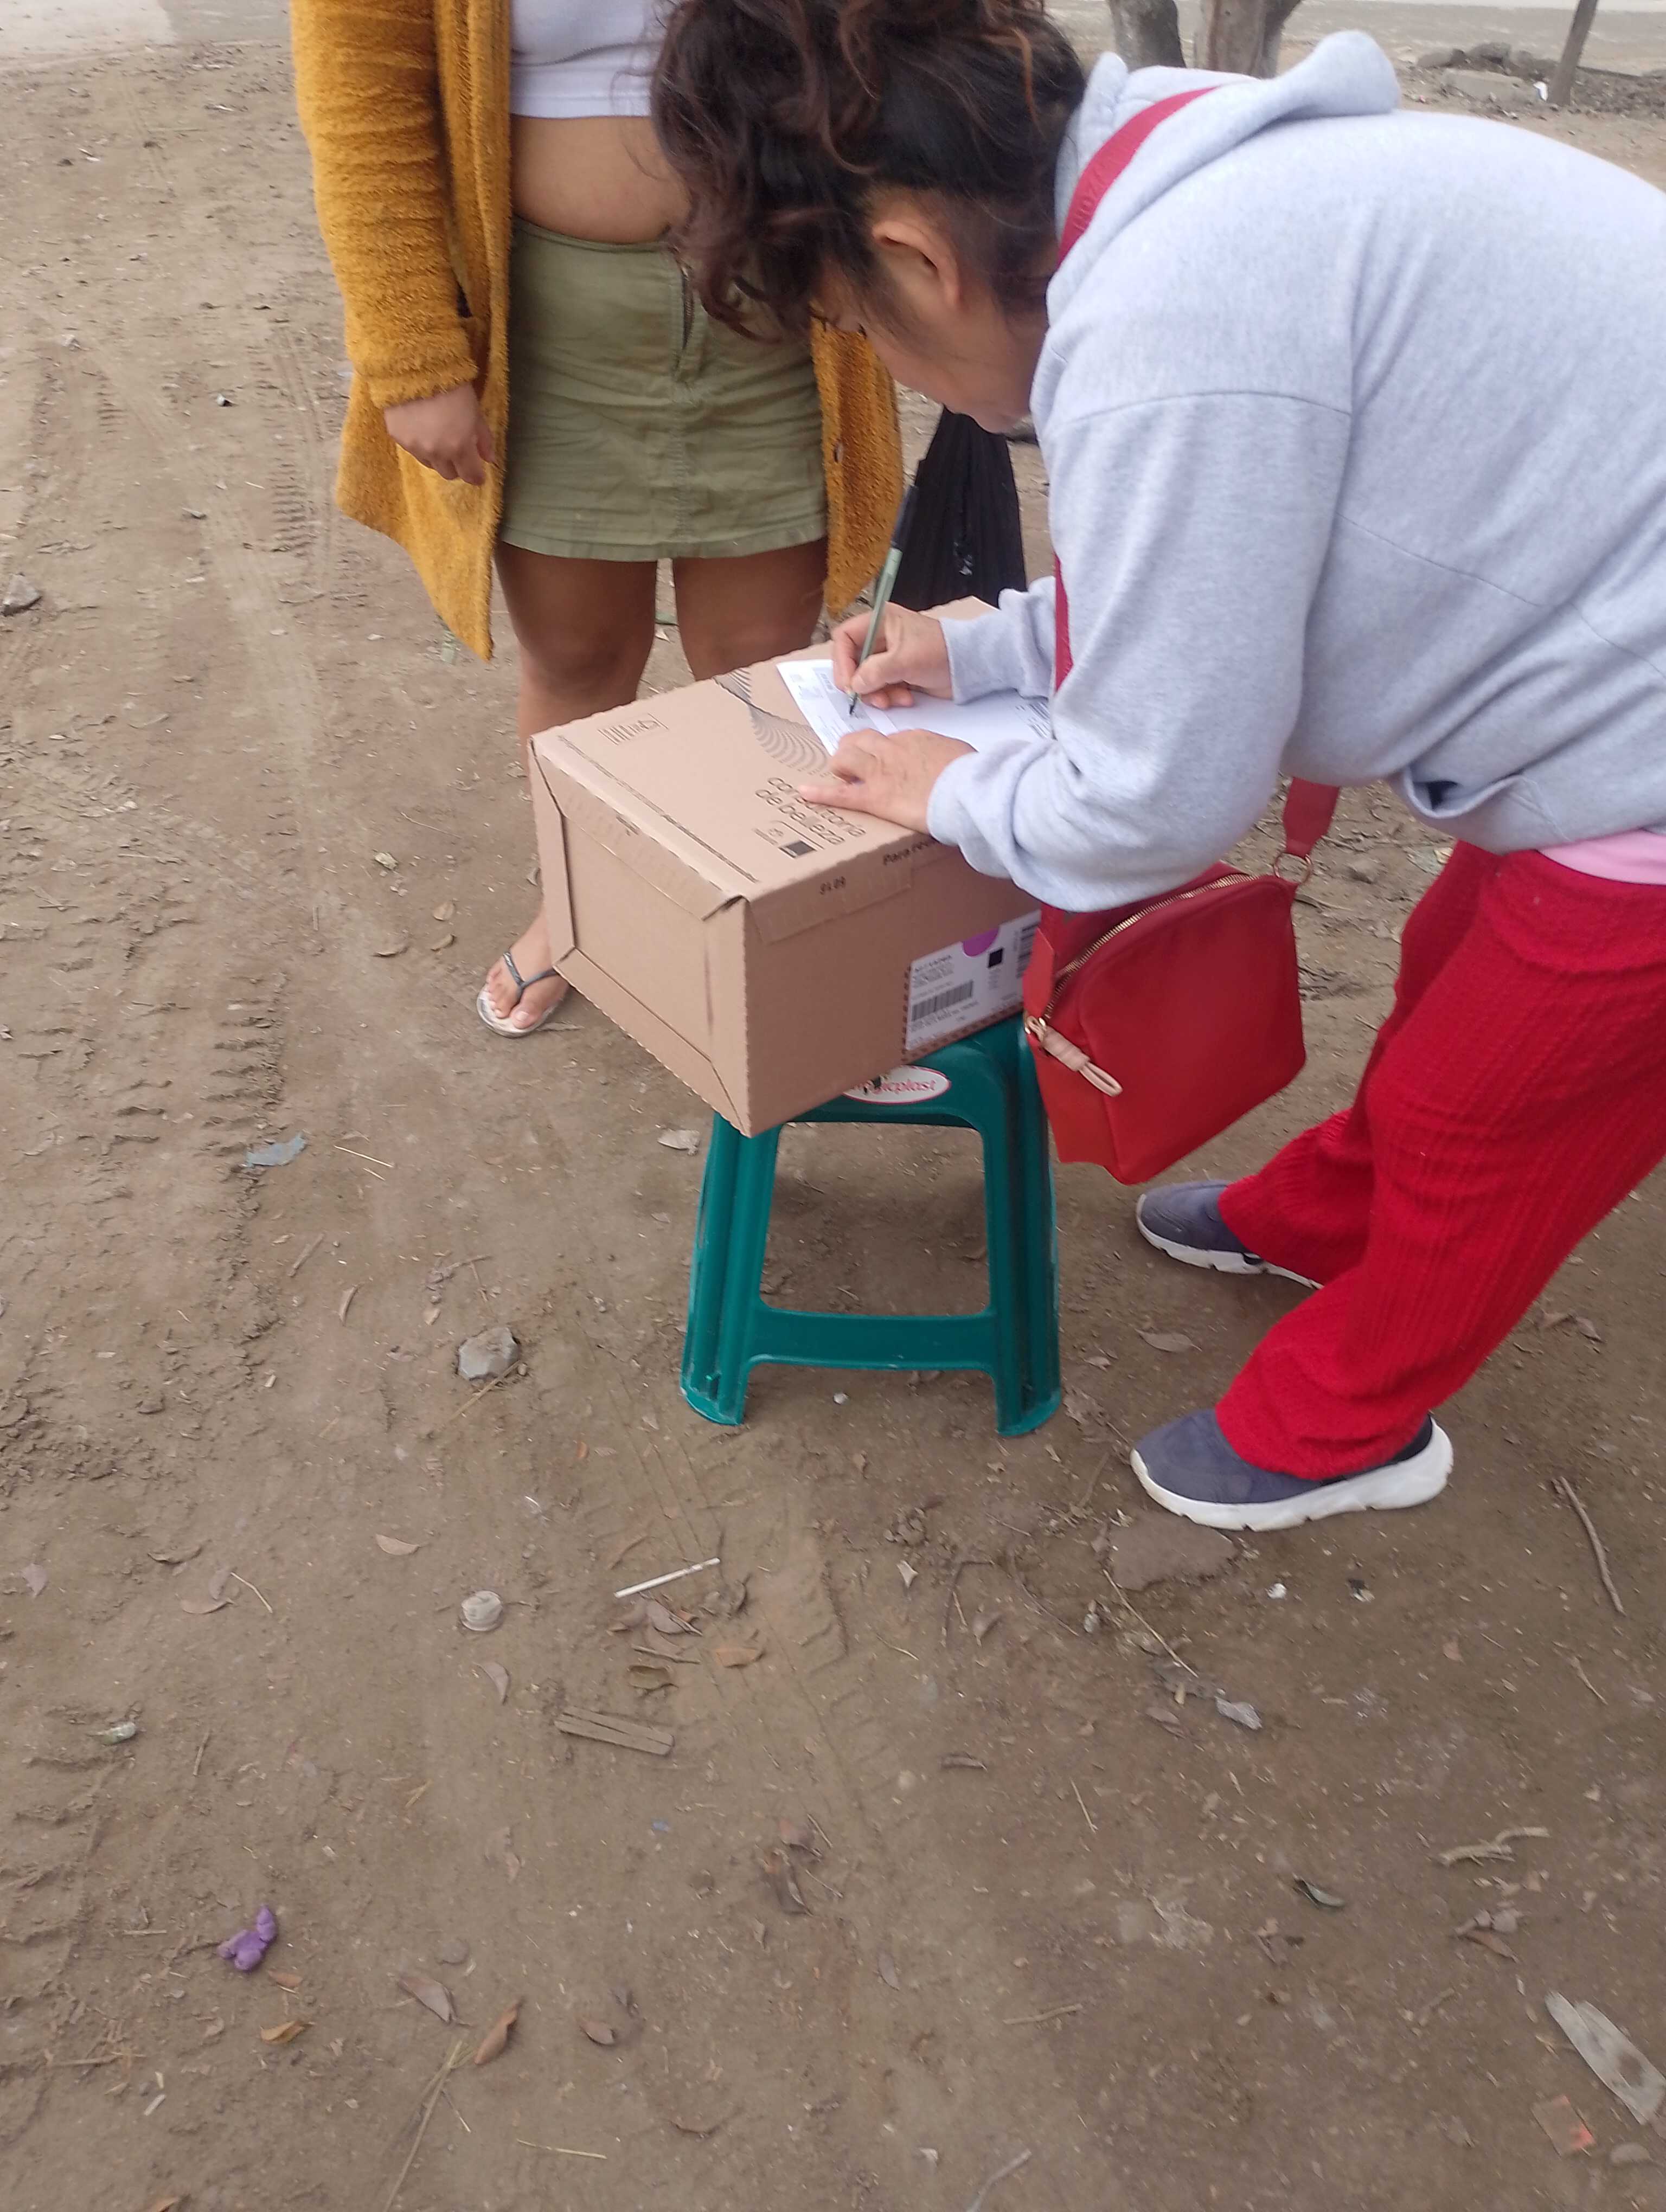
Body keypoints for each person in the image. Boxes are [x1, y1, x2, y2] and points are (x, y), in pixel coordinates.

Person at [653, 0, 1666, 1531]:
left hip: (1635, 750)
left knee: (1495, 1115)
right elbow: (1227, 560)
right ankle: (1329, 1213)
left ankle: (1351, 1424)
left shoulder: (1170, 324)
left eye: (863, 328)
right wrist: (984, 651)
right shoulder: (1176, 192)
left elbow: (1159, 800)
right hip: (1604, 674)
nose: (898, 367)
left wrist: (952, 788)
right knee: (1452, 968)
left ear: (916, 259)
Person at [290, 0, 902, 1034]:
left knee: (756, 667)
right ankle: (582, 913)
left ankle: (755, 906)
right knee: (577, 658)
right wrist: (411, 350)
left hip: (784, 294)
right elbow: (361, 88)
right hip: (548, 320)